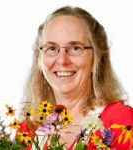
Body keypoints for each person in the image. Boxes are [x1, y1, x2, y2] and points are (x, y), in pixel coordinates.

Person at [20, 6, 133, 150]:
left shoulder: (120, 120)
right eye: (51, 48)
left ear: (97, 58)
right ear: (39, 59)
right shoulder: (27, 129)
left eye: (75, 48)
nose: (62, 60)